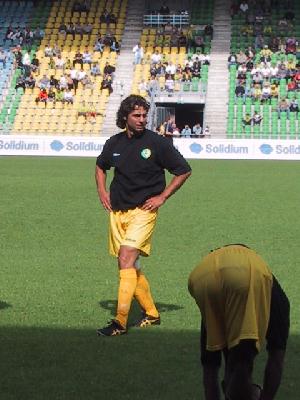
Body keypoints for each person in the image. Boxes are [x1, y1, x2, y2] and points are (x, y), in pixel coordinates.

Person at [95, 95, 191, 337]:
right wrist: (102, 191)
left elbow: (183, 170)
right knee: (130, 265)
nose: (142, 120)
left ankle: (120, 322)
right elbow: (100, 166)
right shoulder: (114, 143)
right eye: (136, 116)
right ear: (125, 117)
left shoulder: (157, 143)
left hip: (144, 211)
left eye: (144, 115)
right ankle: (151, 313)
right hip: (118, 211)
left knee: (126, 257)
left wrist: (162, 197)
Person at [188, 244, 290, 400]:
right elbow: (276, 358)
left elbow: (210, 361)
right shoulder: (277, 299)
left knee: (212, 363)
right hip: (243, 276)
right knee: (243, 360)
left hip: (201, 277)